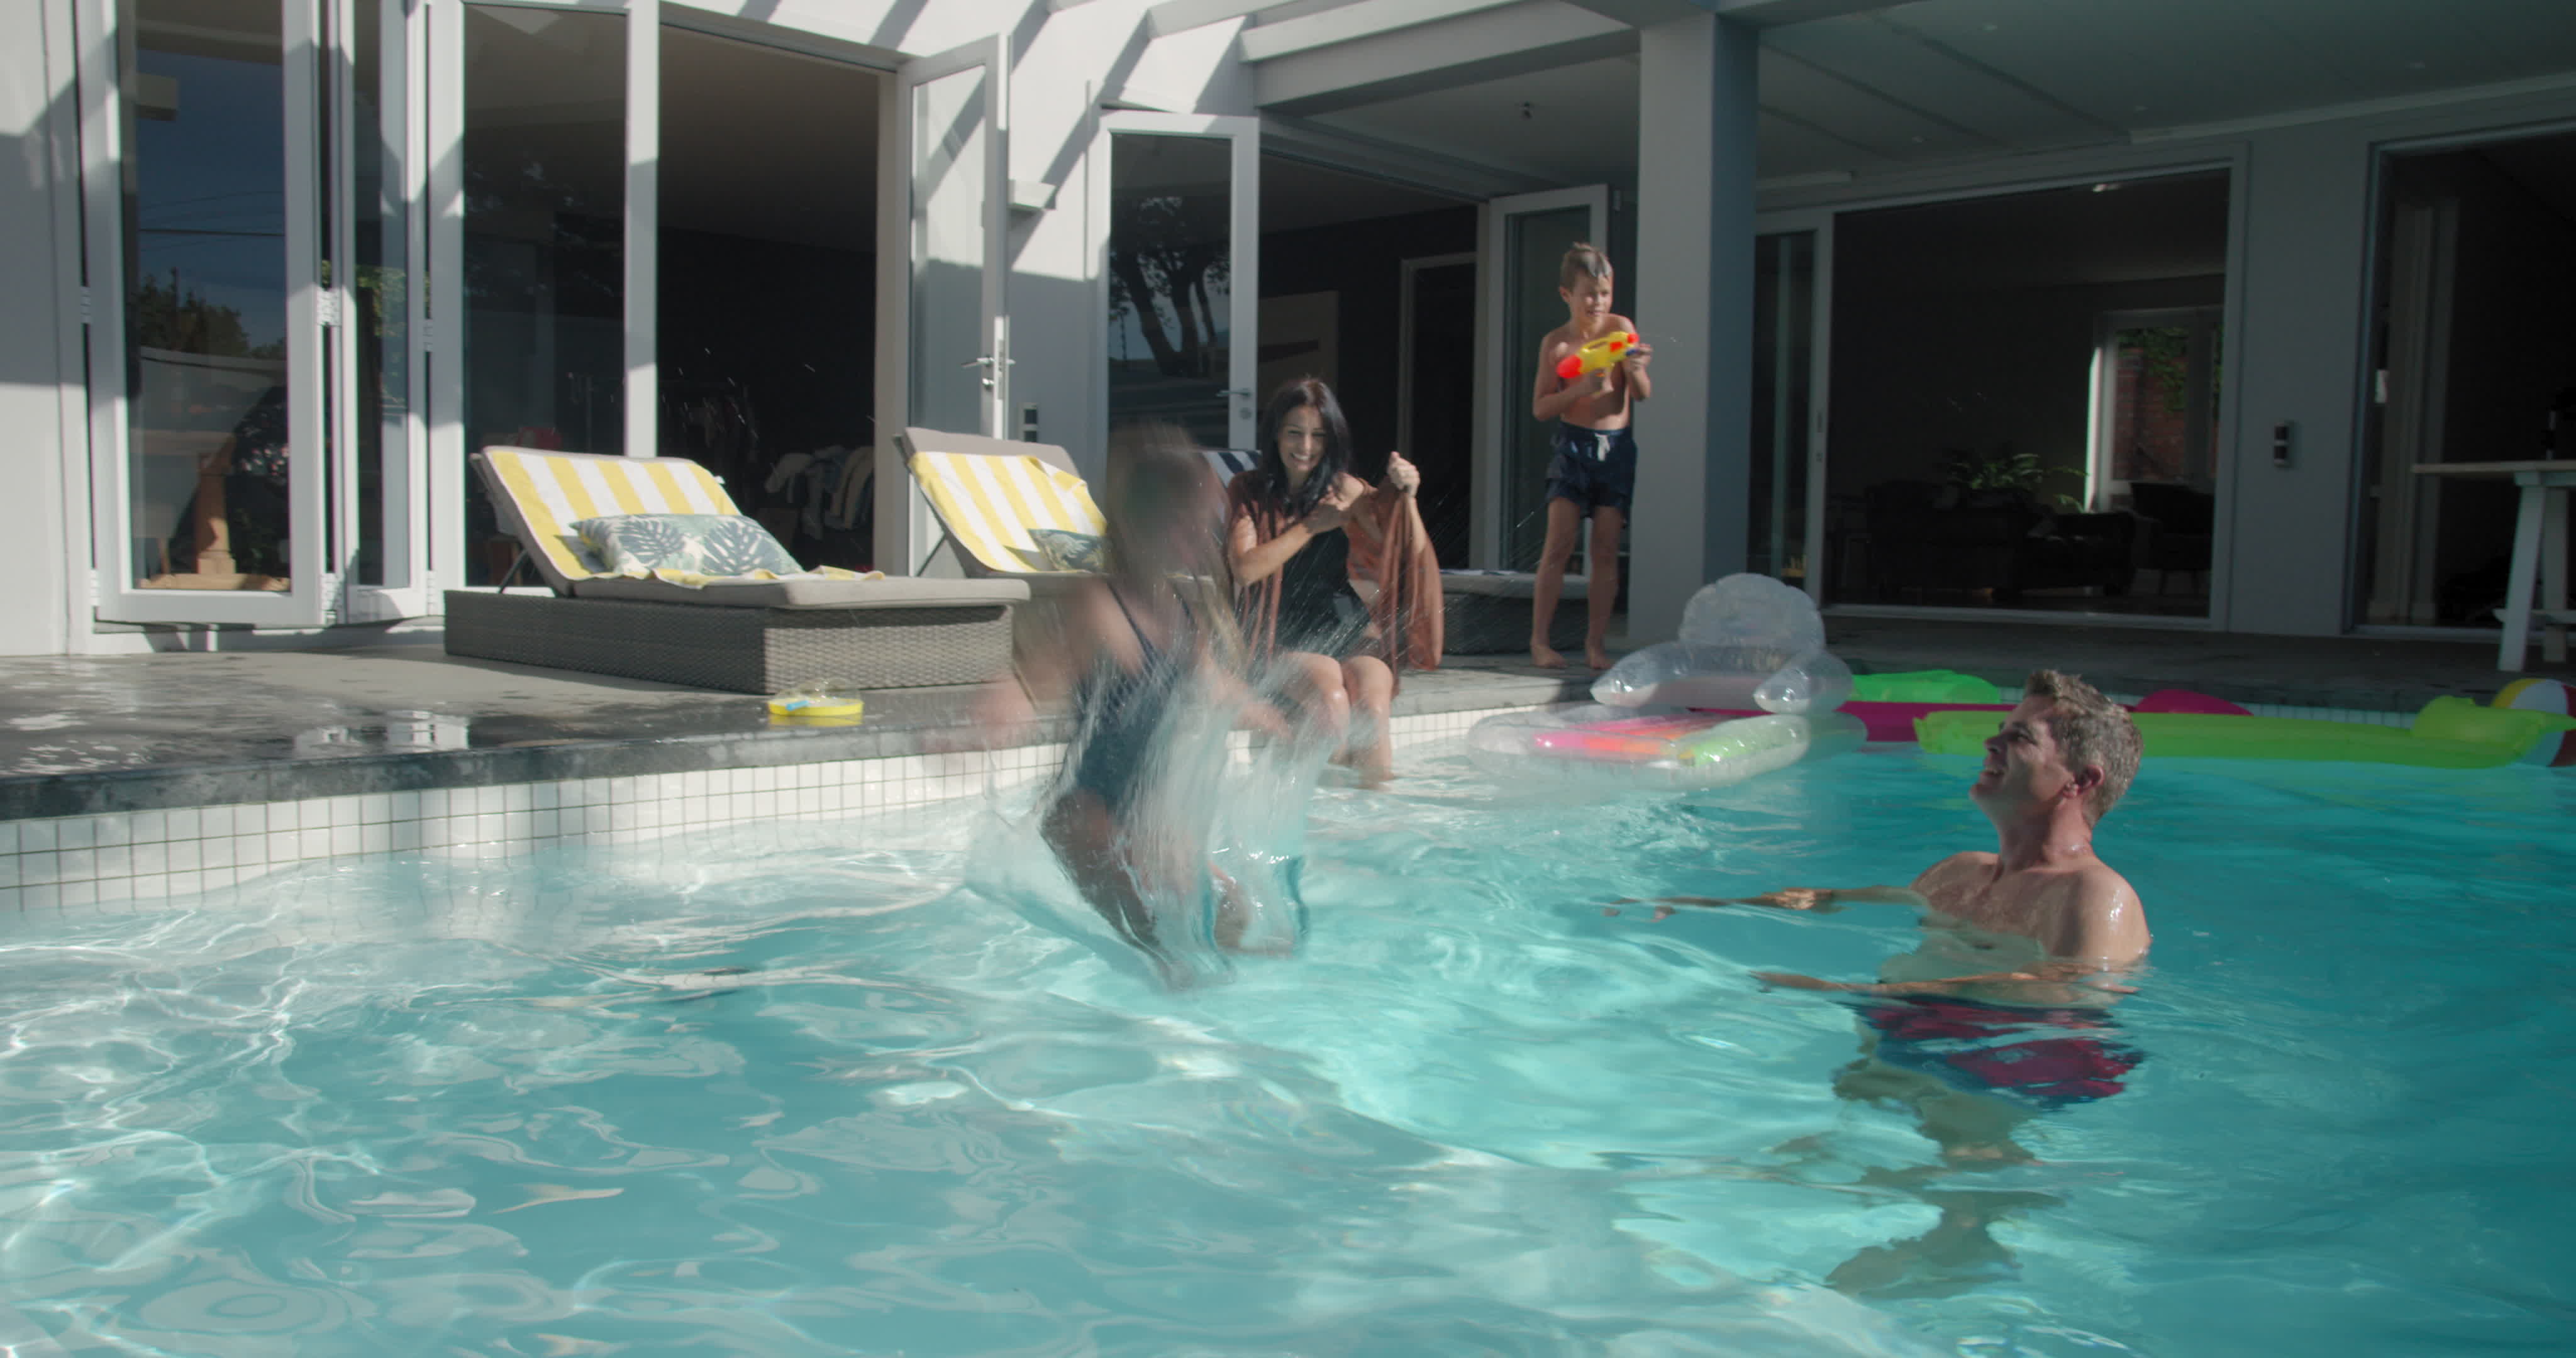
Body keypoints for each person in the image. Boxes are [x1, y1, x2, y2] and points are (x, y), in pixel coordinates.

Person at [1621, 670, 2148, 1295]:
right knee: (1850, 1141)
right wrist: (1705, 903)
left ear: (2080, 781)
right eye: (2001, 730)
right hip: (1914, 1022)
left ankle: (1965, 1250)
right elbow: (1828, 897)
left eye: (2020, 738)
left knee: (1963, 1153)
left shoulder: (2096, 894)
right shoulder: (1959, 873)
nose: (1992, 743)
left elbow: (2071, 988)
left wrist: (1864, 994)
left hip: (2014, 1047)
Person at [972, 425, 1294, 986]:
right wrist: (1004, 706)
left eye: (1204, 526)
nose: (1202, 539)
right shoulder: (1100, 604)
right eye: (1189, 524)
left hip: (1149, 815)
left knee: (1231, 913)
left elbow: (1213, 680)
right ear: (1144, 525)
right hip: (1087, 817)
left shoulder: (1180, 610)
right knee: (1159, 942)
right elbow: (1038, 674)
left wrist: (1264, 714)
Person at [1227, 378, 1441, 784]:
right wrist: (1311, 526)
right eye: (1295, 433)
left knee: (1373, 707)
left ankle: (1376, 809)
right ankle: (1322, 806)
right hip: (1278, 635)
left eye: (1318, 436)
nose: (1306, 447)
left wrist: (1407, 497)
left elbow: (1400, 549)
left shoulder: (1344, 490)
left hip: (1346, 627)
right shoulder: (1249, 491)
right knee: (1332, 697)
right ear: (1275, 435)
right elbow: (1245, 568)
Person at [1530, 243, 1651, 671]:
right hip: (1573, 447)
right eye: (1589, 294)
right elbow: (1540, 407)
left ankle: (1595, 645)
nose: (1598, 302)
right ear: (1567, 295)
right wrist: (1579, 390)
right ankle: (1540, 641)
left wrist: (1636, 370)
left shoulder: (1620, 328)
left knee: (1605, 548)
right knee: (1560, 543)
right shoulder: (1557, 344)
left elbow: (1642, 394)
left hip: (1615, 447)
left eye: (1605, 293)